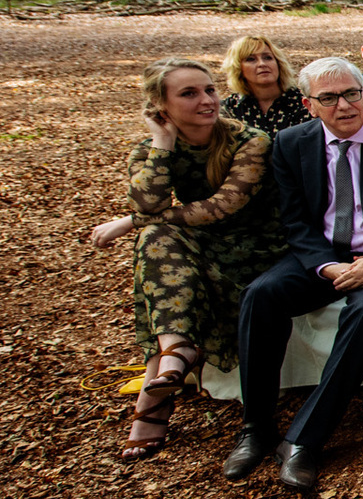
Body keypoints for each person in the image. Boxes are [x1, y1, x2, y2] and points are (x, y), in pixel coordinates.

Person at [227, 58, 363, 491]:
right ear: (310, 105)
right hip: (322, 256)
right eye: (328, 98)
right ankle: (255, 427)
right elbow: (294, 223)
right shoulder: (291, 143)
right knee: (261, 295)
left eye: (352, 93)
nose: (344, 105)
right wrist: (327, 266)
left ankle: (304, 440)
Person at [91, 60, 285, 461]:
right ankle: (175, 350)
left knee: (153, 238)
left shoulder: (250, 140)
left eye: (209, 90)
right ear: (159, 106)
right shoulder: (151, 149)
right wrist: (162, 143)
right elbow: (149, 202)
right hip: (198, 246)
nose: (207, 100)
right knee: (157, 240)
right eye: (189, 93)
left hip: (258, 248)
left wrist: (129, 222)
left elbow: (223, 206)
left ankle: (164, 379)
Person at [220, 35, 310, 136]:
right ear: (238, 68)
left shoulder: (305, 104)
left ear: (278, 63)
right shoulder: (230, 108)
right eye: (251, 59)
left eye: (268, 58)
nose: (262, 64)